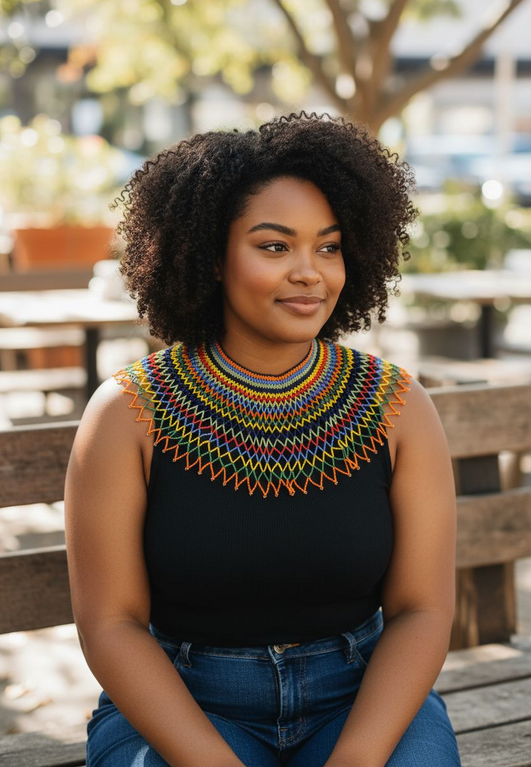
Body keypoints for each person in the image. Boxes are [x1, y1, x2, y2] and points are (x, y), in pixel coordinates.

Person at [64, 110, 462, 766]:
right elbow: (111, 625)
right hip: (184, 707)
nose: (310, 272)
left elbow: (421, 610)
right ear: (209, 257)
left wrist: (357, 758)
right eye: (274, 246)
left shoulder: (397, 407)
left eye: (328, 246)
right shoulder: (127, 414)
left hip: (360, 701)